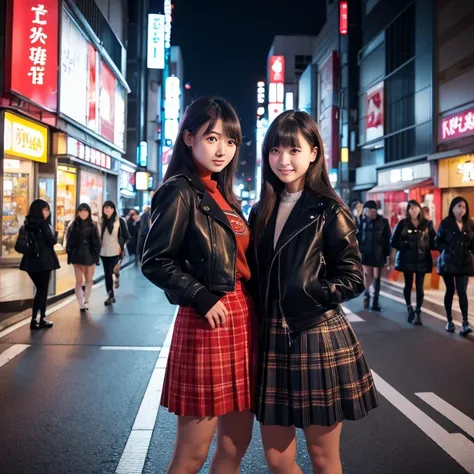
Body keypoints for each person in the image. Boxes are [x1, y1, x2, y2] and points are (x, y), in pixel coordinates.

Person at [248, 110, 378, 474]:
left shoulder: (329, 209)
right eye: (275, 150)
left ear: (314, 153)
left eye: (293, 149)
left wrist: (308, 289)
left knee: (323, 459)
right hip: (272, 337)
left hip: (314, 334)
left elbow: (353, 277)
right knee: (276, 459)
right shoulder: (260, 210)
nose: (283, 160)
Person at [142, 96, 257, 474]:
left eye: (230, 140)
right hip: (208, 318)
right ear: (188, 138)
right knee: (192, 453)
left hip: (242, 317)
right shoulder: (179, 190)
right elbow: (154, 260)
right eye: (212, 138)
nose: (222, 149)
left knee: (235, 443)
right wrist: (200, 296)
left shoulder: (222, 193)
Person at [390, 200, 436, 325]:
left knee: (420, 286)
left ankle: (418, 311)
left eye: (415, 208)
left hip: (423, 259)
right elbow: (393, 241)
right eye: (410, 208)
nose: (413, 210)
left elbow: (434, 241)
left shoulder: (427, 224)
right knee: (408, 284)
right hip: (407, 259)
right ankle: (409, 307)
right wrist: (405, 245)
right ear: (408, 211)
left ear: (419, 209)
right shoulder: (403, 224)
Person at [435, 197, 474, 336]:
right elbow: (437, 242)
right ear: (452, 208)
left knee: (462, 291)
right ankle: (449, 321)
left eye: (464, 207)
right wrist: (448, 249)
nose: (461, 210)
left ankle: (465, 323)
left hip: (464, 263)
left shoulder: (470, 223)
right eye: (459, 206)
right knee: (450, 290)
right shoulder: (446, 223)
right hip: (448, 262)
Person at [19, 199, 60, 330]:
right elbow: (51, 241)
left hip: (30, 263)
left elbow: (20, 245)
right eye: (45, 209)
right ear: (39, 210)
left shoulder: (26, 224)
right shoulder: (44, 225)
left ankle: (37, 318)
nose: (48, 212)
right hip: (44, 262)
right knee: (42, 290)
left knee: (40, 289)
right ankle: (39, 318)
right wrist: (54, 232)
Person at [66, 203, 101, 312]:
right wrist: (69, 254)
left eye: (85, 211)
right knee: (79, 281)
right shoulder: (73, 225)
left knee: (89, 280)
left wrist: (97, 256)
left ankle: (86, 300)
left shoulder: (93, 225)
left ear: (89, 212)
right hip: (77, 254)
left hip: (90, 254)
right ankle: (81, 303)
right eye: (81, 211)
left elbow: (97, 242)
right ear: (78, 212)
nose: (83, 213)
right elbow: (69, 241)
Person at [357, 200, 391, 311]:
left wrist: (387, 255)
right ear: (365, 211)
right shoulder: (361, 221)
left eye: (373, 210)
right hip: (365, 252)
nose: (371, 212)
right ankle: (367, 295)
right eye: (368, 210)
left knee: (377, 277)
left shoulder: (383, 221)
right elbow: (356, 238)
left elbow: (387, 239)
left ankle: (375, 300)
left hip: (379, 252)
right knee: (368, 275)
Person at [99, 201, 130, 305]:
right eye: (106, 207)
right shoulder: (101, 221)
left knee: (112, 270)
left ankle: (116, 274)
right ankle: (110, 295)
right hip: (103, 252)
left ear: (113, 209)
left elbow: (127, 236)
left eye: (110, 208)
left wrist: (122, 247)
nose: (108, 209)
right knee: (107, 274)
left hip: (115, 251)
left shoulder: (120, 221)